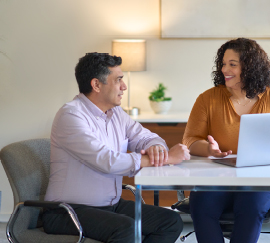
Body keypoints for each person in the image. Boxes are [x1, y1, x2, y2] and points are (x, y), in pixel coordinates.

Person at [42, 53, 190, 243]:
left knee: (170, 221)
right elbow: (107, 161)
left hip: (110, 205)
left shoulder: (116, 113)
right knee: (125, 229)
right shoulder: (71, 115)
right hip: (67, 211)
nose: (124, 86)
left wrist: (157, 149)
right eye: (118, 80)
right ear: (96, 85)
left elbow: (147, 137)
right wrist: (167, 158)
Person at [182, 38, 270, 243]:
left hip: (264, 179)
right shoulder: (208, 99)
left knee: (250, 203)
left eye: (232, 64)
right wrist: (209, 149)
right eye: (223, 64)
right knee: (201, 204)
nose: (225, 69)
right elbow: (190, 139)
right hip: (219, 177)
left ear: (250, 67)